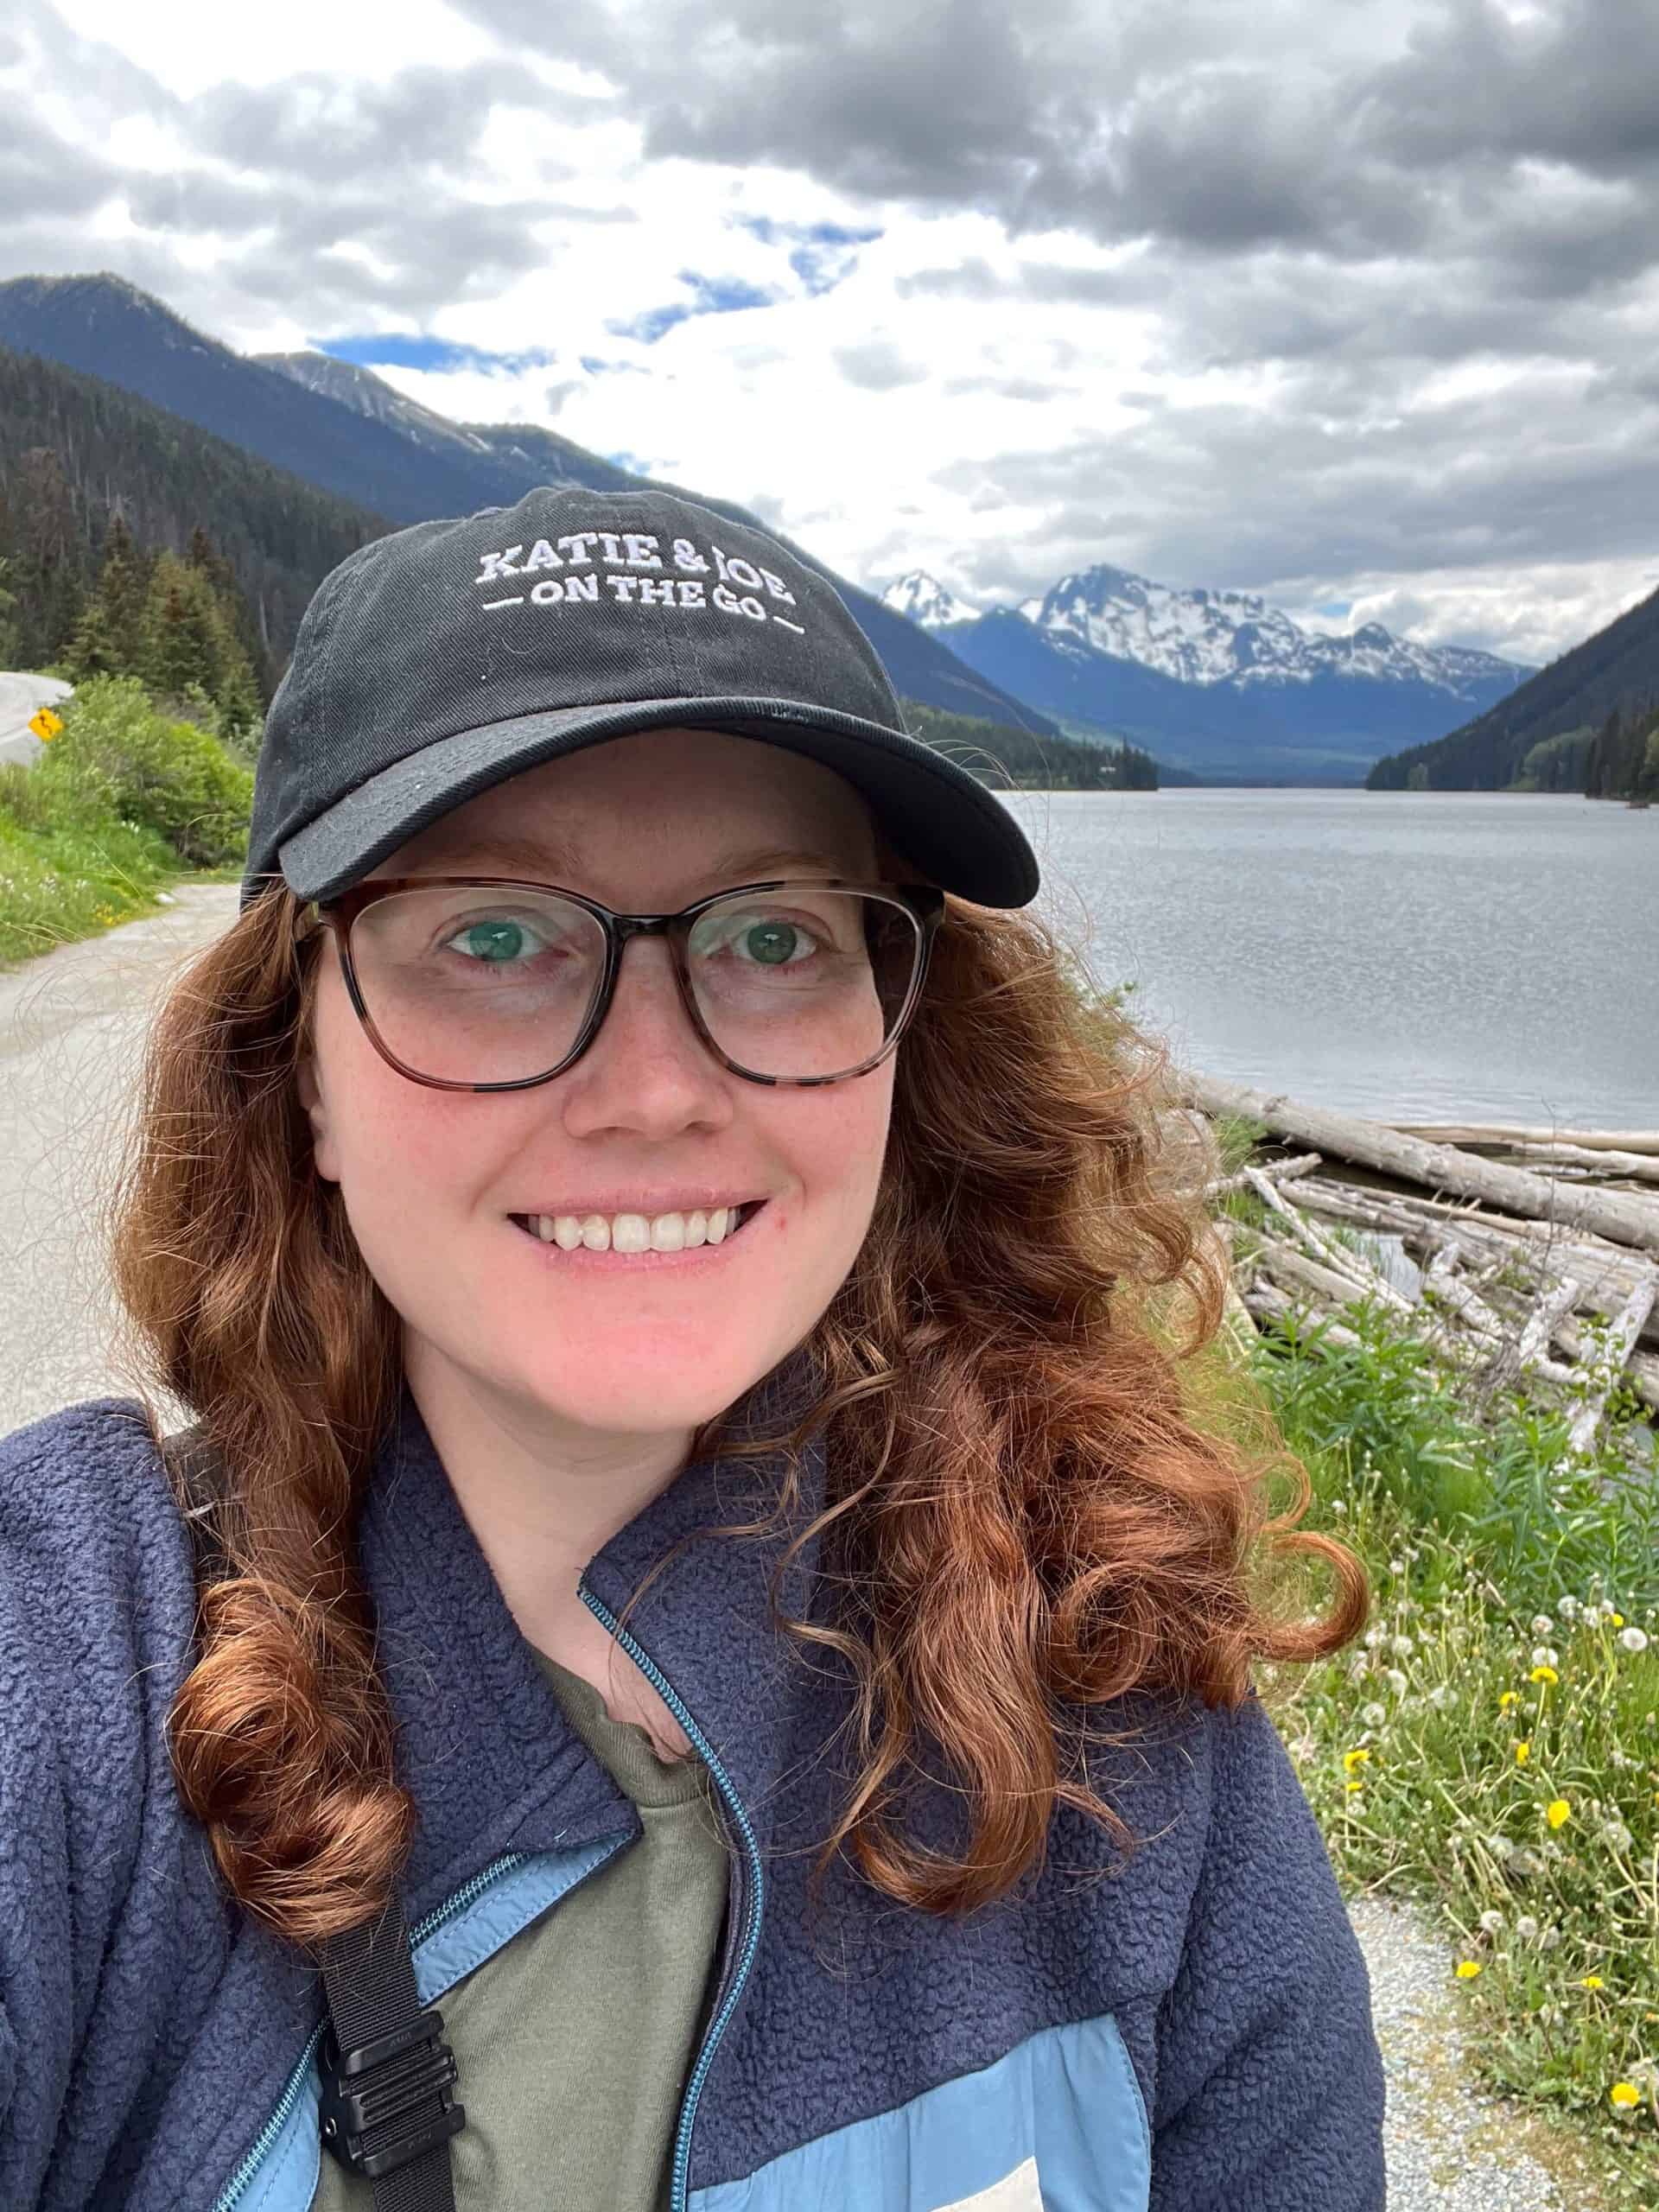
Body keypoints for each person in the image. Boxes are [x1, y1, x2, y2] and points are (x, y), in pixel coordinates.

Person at [0, 486, 1386, 2212]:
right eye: (494, 936)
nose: (657, 1089)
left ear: (903, 1035)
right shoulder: (65, 1684)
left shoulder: (1113, 1687)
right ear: (303, 1071)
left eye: (774, 936)